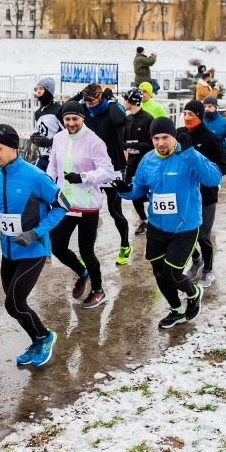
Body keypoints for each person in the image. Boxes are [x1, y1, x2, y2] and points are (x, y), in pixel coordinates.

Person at [0, 124, 68, 366]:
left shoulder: (36, 176)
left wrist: (35, 233)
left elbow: (62, 207)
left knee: (13, 303)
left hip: (33, 250)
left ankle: (46, 337)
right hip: (8, 251)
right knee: (16, 306)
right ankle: (37, 339)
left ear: (14, 148)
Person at [114, 117, 222, 327]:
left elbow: (214, 179)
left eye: (165, 137)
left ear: (174, 137)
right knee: (159, 273)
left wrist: (190, 154)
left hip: (185, 227)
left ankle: (193, 293)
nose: (161, 143)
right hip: (157, 227)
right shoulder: (148, 160)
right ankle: (175, 310)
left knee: (172, 274)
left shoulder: (187, 155)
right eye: (156, 138)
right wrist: (125, 190)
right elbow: (140, 187)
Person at [48, 101, 115, 308]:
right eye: (67, 119)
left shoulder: (94, 141)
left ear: (83, 118)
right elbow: (53, 166)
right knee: (57, 246)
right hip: (64, 204)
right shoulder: (58, 138)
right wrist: (47, 182)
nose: (71, 123)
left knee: (87, 251)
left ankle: (98, 290)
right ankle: (82, 272)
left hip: (87, 206)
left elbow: (108, 171)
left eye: (75, 118)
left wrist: (83, 176)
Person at [177, 100, 226, 288]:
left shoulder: (210, 138)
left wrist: (206, 173)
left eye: (191, 114)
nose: (186, 117)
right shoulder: (178, 134)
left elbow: (225, 165)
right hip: (184, 194)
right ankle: (196, 259)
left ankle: (208, 270)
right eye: (184, 113)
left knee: (203, 235)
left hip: (206, 195)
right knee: (184, 232)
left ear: (199, 116)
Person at [80, 83, 132, 265]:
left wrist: (110, 100)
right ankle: (86, 251)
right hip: (92, 167)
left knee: (115, 210)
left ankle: (125, 245)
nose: (88, 104)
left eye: (91, 100)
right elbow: (63, 111)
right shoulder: (86, 109)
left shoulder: (112, 109)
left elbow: (120, 120)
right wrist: (81, 95)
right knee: (88, 210)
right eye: (85, 100)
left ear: (101, 97)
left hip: (114, 167)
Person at [122, 88, 154, 235]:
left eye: (125, 99)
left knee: (148, 193)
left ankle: (154, 219)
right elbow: (122, 142)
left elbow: (151, 143)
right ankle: (145, 221)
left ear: (131, 101)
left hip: (146, 163)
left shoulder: (148, 119)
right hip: (131, 164)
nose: (123, 102)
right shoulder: (127, 119)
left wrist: (132, 145)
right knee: (133, 193)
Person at [29, 77, 64, 172]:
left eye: (41, 88)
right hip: (42, 158)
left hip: (57, 159)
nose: (38, 91)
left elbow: (68, 135)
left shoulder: (58, 110)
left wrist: (49, 142)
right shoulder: (38, 113)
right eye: (37, 88)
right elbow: (44, 131)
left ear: (48, 91)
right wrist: (35, 137)